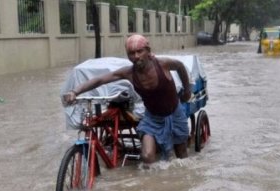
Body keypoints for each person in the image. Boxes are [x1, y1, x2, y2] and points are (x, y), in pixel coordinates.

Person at [63, 34, 192, 165]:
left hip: (174, 113)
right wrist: (75, 91)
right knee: (147, 156)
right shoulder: (128, 73)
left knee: (181, 154)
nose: (136, 56)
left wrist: (187, 90)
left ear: (148, 51)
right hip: (152, 118)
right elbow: (100, 80)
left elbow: (180, 67)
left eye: (139, 51)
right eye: (131, 53)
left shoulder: (163, 64)